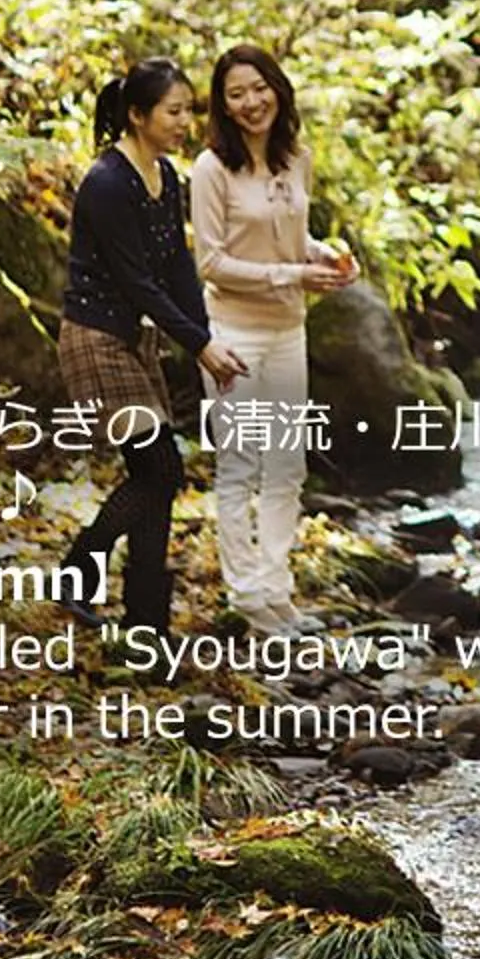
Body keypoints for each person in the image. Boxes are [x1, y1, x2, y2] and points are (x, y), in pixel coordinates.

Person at [58, 57, 246, 641]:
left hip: (136, 339)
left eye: (189, 110)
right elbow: (137, 280)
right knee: (160, 466)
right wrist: (198, 344)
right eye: (174, 111)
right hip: (95, 339)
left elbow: (177, 269)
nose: (185, 121)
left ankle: (146, 624)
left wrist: (205, 340)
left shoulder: (168, 178)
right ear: (137, 116)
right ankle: (78, 568)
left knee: (156, 476)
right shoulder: (108, 183)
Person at [188, 43, 356, 637]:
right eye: (236, 94)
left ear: (277, 90)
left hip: (289, 330)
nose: (251, 102)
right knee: (240, 467)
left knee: (288, 466)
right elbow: (210, 262)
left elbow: (293, 238)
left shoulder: (295, 159)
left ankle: (276, 589)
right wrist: (292, 274)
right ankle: (246, 595)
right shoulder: (210, 169)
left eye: (259, 88)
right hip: (232, 333)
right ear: (223, 105)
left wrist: (326, 259)